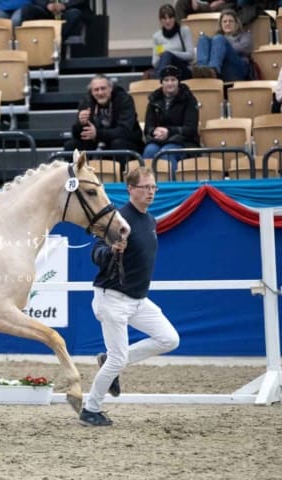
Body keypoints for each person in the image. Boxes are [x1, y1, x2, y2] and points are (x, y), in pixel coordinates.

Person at [79, 166, 180, 427]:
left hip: (138, 299)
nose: (151, 192)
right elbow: (96, 254)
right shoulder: (118, 219)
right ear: (131, 189)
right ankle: (90, 409)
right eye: (145, 187)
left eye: (153, 187)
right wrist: (112, 250)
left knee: (169, 339)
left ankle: (107, 363)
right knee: (118, 358)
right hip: (111, 297)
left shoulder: (150, 220)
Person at [64, 74, 144, 157]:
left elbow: (125, 131)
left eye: (103, 88)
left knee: (117, 144)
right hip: (97, 142)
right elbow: (78, 135)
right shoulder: (86, 101)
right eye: (96, 90)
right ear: (91, 92)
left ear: (110, 88)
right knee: (71, 146)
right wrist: (80, 124)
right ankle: (76, 170)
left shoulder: (124, 99)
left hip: (126, 141)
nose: (100, 93)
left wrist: (97, 134)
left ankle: (122, 170)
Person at [143, 65, 200, 177]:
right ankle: (146, 185)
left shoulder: (189, 99)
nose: (170, 83)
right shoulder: (154, 100)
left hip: (183, 142)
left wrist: (168, 132)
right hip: (158, 141)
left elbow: (191, 129)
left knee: (167, 153)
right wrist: (154, 132)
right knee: (149, 151)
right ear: (161, 82)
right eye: (166, 80)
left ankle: (170, 187)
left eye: (173, 80)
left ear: (178, 82)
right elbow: (148, 127)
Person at [192, 9, 253, 81]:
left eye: (230, 21)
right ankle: (202, 71)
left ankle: (213, 70)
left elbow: (244, 48)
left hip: (239, 68)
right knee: (203, 39)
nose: (227, 23)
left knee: (219, 39)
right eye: (224, 21)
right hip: (222, 69)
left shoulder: (244, 35)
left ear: (236, 24)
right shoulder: (217, 39)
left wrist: (223, 43)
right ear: (221, 24)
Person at [19, 0, 93, 59]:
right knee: (27, 10)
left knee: (75, 13)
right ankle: (33, 50)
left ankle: (55, 45)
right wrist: (47, 5)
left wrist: (64, 6)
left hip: (68, 10)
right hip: (47, 12)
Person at [151, 4, 195, 80]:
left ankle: (158, 81)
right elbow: (155, 63)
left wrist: (170, 53)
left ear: (175, 18)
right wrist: (164, 55)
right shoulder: (157, 37)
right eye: (164, 18)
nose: (168, 21)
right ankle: (160, 81)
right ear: (160, 20)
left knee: (167, 55)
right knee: (166, 56)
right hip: (165, 70)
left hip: (182, 69)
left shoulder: (184, 31)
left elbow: (190, 55)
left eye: (170, 17)